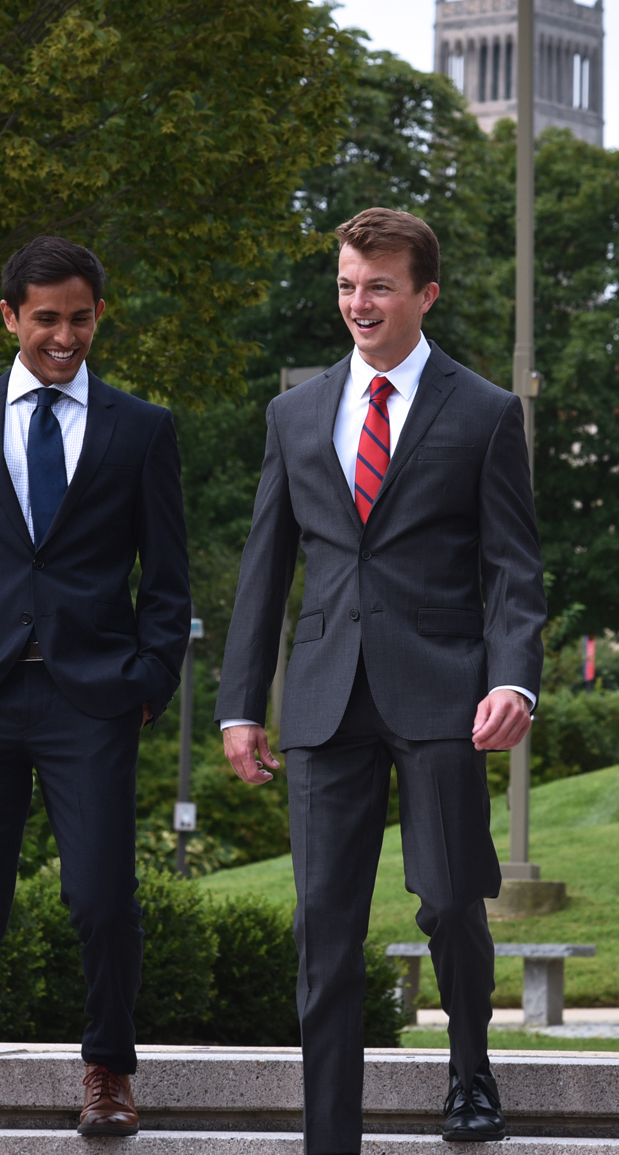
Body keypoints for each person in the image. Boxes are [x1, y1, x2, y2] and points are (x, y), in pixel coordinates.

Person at [215, 207, 544, 1153]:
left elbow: (514, 569)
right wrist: (243, 702)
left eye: (381, 286)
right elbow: (265, 567)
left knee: (447, 897)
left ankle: (471, 1068)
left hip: (444, 690)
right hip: (322, 696)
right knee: (324, 921)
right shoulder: (294, 412)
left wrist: (513, 679)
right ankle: (330, 1132)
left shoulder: (483, 411)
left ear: (424, 293)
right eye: (349, 285)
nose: (360, 303)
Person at [0, 236, 190, 1152]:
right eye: (47, 317)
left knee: (102, 899)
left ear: (100, 314)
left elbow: (168, 580)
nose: (65, 334)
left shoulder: (142, 427)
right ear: (10, 316)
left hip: (90, 698)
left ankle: (108, 1064)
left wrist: (146, 683)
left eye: (82, 316)